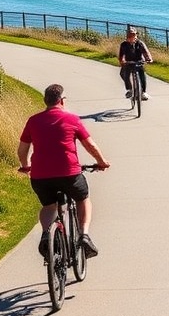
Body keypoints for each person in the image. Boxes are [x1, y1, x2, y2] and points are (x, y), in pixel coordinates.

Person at [17, 84, 110, 258]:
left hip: (40, 176)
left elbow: (22, 150)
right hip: (69, 174)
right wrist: (101, 162)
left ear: (46, 101)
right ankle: (84, 235)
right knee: (83, 199)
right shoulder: (72, 119)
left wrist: (26, 165)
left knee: (48, 205)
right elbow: (90, 145)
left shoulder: (33, 121)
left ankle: (46, 234)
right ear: (62, 100)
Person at [118, 26, 153, 100]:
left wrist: (148, 59)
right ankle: (130, 90)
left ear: (136, 36)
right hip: (128, 62)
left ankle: (143, 92)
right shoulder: (123, 45)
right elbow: (121, 55)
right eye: (130, 36)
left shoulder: (140, 43)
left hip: (139, 61)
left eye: (133, 36)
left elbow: (145, 52)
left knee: (142, 75)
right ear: (127, 37)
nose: (132, 38)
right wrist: (122, 61)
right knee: (124, 74)